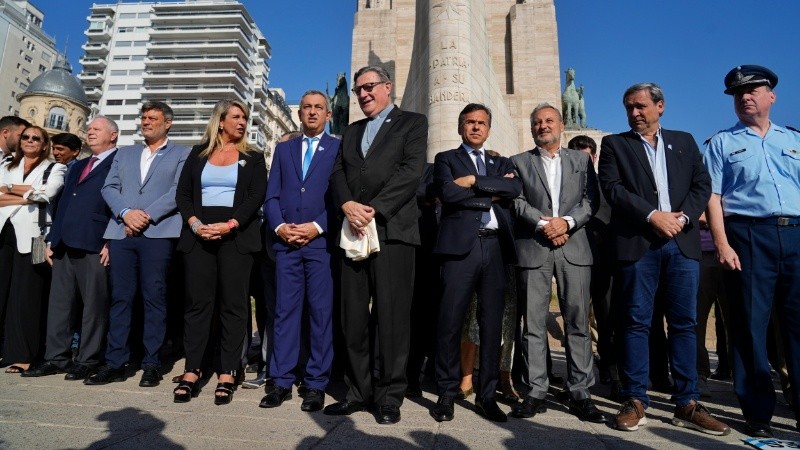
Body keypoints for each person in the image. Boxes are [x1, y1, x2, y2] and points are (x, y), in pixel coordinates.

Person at [598, 82, 729, 436]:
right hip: (639, 243)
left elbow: (702, 186)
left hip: (682, 245)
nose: (635, 113)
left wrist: (682, 217)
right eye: (629, 107)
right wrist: (653, 216)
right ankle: (636, 398)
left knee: (685, 323)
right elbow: (612, 188)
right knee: (636, 322)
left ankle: (687, 401)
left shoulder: (684, 142)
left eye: (640, 106)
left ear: (660, 106)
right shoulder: (615, 144)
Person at [326, 65, 427, 424]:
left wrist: (375, 209)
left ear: (387, 87)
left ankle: (389, 396)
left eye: (369, 86)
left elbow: (411, 171)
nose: (363, 94)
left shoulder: (412, 123)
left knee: (392, 316)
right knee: (353, 316)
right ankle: (357, 392)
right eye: (357, 90)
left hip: (392, 230)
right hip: (353, 229)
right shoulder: (351, 132)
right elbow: (338, 172)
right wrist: (346, 204)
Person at [703, 65, 800, 438]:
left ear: (771, 96)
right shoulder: (722, 143)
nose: (745, 97)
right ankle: (758, 411)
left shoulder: (792, 139)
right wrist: (723, 243)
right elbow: (713, 196)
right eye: (738, 94)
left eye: (754, 90)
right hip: (748, 236)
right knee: (749, 325)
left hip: (794, 234)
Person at [85, 102, 190, 387]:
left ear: (167, 123)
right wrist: (126, 213)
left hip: (157, 233)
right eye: (143, 118)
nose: (146, 122)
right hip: (122, 232)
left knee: (154, 298)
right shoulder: (126, 153)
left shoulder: (183, 153)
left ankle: (151, 363)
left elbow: (178, 190)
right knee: (120, 298)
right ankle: (116, 362)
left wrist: (146, 216)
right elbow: (109, 187)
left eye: (152, 118)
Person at [429, 103, 521, 423]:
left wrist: (471, 182)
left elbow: (513, 188)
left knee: (491, 324)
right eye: (470, 122)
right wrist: (490, 191)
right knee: (450, 322)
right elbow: (448, 194)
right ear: (460, 127)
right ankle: (446, 392)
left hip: (495, 249)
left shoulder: (501, 161)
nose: (476, 127)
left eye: (482, 123)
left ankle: (487, 395)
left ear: (488, 128)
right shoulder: (446, 159)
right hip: (459, 251)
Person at [509, 105, 602, 423]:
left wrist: (565, 223)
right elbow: (517, 201)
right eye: (537, 122)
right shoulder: (519, 162)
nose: (543, 126)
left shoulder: (581, 160)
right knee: (533, 324)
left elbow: (591, 200)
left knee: (577, 323)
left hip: (573, 248)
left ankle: (580, 391)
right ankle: (536, 390)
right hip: (534, 248)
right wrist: (543, 224)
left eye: (549, 121)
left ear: (562, 125)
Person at [173, 99, 267, 405]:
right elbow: (183, 194)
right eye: (236, 117)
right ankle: (192, 369)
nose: (242, 122)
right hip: (198, 235)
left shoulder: (252, 156)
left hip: (236, 236)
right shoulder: (198, 153)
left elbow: (256, 196)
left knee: (234, 305)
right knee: (198, 304)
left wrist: (230, 224)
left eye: (245, 118)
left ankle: (228, 371)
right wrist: (196, 223)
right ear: (221, 120)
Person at [260, 90, 341, 412]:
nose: (311, 112)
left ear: (328, 115)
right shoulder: (284, 150)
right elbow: (271, 196)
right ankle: (280, 381)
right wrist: (279, 227)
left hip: (320, 244)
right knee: (284, 313)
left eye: (318, 108)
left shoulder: (338, 149)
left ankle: (315, 383)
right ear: (299, 114)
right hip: (286, 243)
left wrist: (317, 227)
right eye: (306, 107)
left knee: (321, 314)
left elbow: (339, 198)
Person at [21, 117, 117, 381]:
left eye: (97, 129)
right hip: (64, 242)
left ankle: (87, 359)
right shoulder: (79, 165)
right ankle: (56, 358)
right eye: (89, 129)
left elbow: (120, 204)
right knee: (60, 305)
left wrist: (111, 240)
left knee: (93, 306)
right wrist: (53, 238)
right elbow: (62, 203)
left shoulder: (119, 163)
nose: (90, 132)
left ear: (113, 135)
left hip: (95, 243)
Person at [0, 126, 66, 373]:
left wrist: (7, 189)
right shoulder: (7, 165)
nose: (29, 140)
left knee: (28, 296)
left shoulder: (55, 168)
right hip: (3, 232)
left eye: (35, 138)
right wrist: (27, 193)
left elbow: (47, 193)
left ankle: (24, 355)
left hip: (36, 237)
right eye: (25, 136)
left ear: (44, 144)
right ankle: (3, 351)